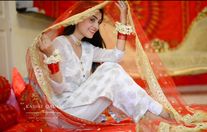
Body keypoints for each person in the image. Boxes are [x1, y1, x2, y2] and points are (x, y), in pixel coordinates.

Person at [38, 1, 171, 123]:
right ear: (78, 18)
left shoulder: (87, 48)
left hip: (83, 109)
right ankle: (154, 111)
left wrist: (123, 19)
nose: (96, 26)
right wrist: (50, 56)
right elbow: (58, 89)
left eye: (98, 22)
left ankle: (147, 113)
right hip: (64, 113)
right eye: (92, 20)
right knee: (110, 69)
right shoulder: (60, 43)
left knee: (111, 66)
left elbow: (117, 55)